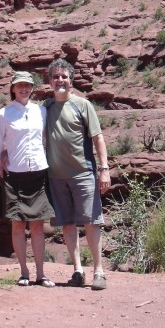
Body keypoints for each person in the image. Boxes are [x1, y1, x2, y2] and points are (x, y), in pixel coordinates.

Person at [44, 59, 111, 290]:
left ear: (71, 80)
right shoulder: (45, 108)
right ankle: (77, 271)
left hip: (83, 173)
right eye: (55, 77)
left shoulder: (82, 105)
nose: (60, 80)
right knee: (67, 224)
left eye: (64, 76)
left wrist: (104, 169)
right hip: (56, 176)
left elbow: (98, 138)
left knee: (92, 222)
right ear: (49, 81)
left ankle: (99, 271)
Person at [0, 71, 55, 287]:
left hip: (38, 172)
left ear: (32, 88)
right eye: (19, 85)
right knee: (18, 225)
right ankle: (24, 272)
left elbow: (46, 138)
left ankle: (41, 273)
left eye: (27, 85)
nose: (24, 89)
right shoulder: (4, 114)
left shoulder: (41, 111)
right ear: (12, 89)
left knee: (38, 226)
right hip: (14, 174)